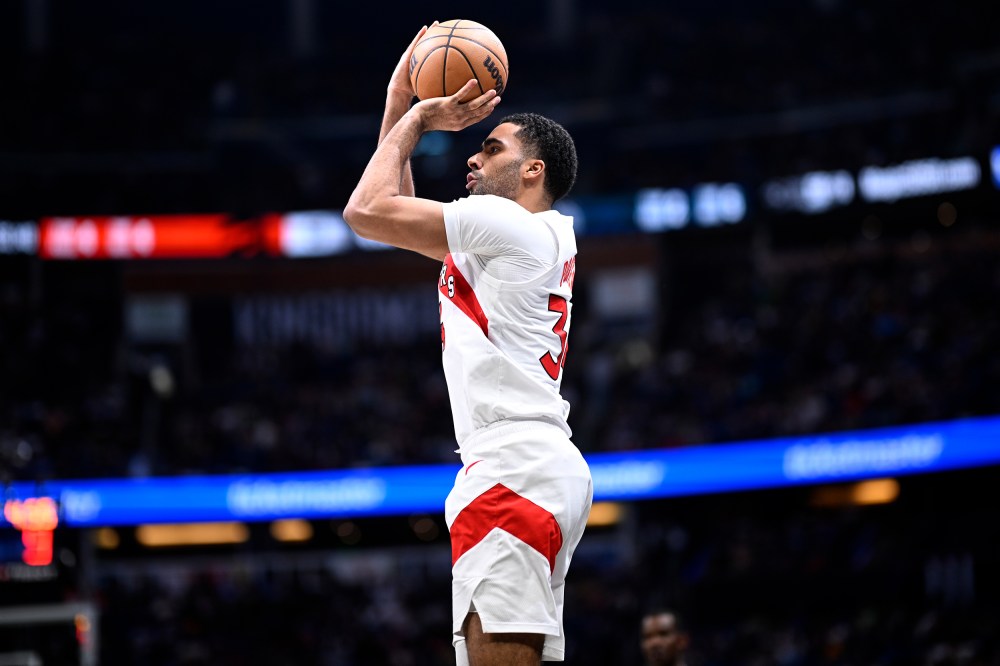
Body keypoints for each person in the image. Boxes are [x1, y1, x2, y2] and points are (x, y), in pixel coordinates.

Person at [343, 24, 593, 666]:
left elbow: (365, 210)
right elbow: (392, 208)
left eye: (491, 147)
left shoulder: (510, 225)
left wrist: (421, 115)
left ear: (532, 171)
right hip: (528, 463)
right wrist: (399, 104)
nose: (471, 159)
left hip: (513, 467)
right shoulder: (522, 239)